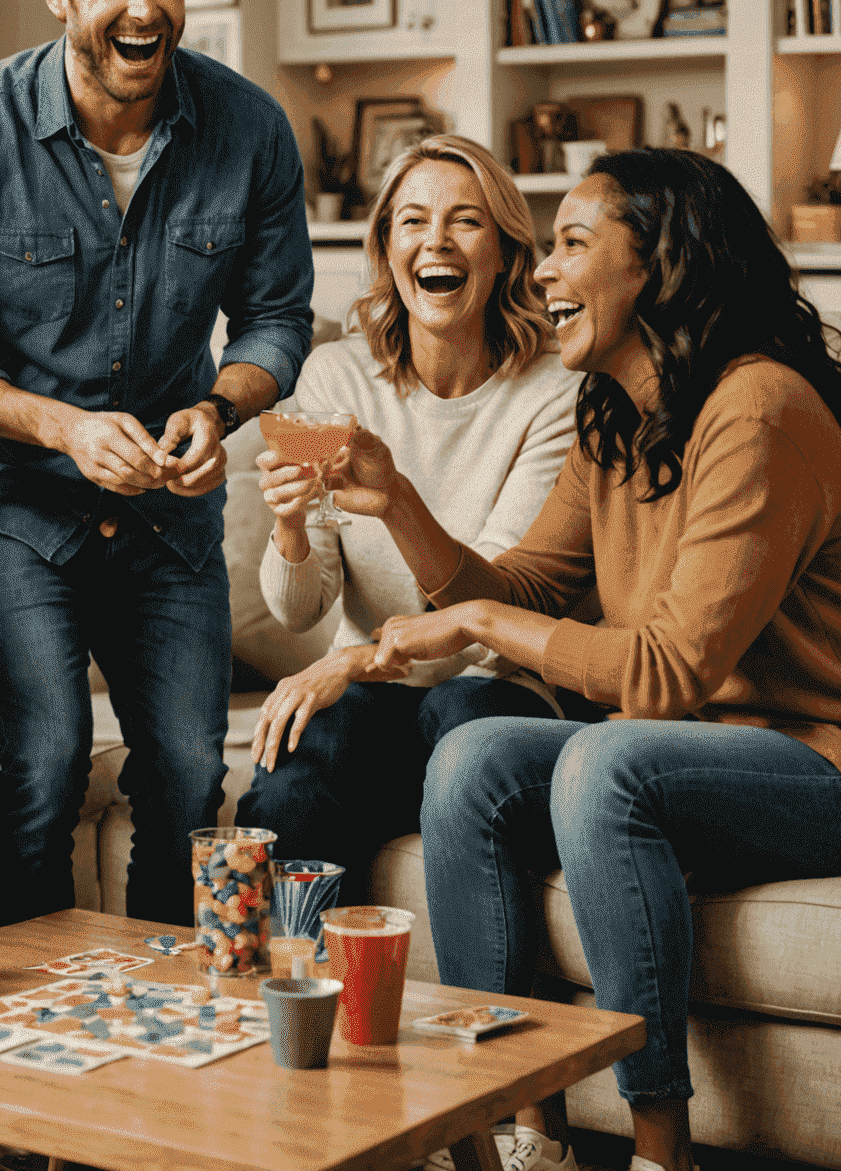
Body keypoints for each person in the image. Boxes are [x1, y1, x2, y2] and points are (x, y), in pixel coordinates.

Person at [370, 149, 841, 1171]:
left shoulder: (757, 408)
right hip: (705, 749)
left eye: (570, 245)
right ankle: (527, 1134)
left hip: (836, 762)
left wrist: (474, 628)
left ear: (658, 267)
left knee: (610, 759)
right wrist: (394, 502)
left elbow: (665, 675)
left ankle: (659, 1151)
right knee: (472, 762)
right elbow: (516, 592)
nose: (541, 272)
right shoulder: (616, 420)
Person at [0, 0, 314, 927]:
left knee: (183, 780)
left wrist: (220, 409)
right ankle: (26, 1046)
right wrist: (61, 427)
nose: (145, 8)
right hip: (19, 507)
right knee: (44, 766)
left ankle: (164, 1031)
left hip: (169, 516)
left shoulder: (250, 130)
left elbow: (278, 321)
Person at [235, 136, 582, 899]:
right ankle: (286, 994)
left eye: (467, 222)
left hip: (499, 686)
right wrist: (292, 525)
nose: (437, 241)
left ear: (504, 254)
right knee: (294, 778)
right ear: (387, 249)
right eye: (414, 221)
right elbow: (299, 613)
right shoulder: (336, 373)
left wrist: (350, 659)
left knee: (459, 708)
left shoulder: (554, 390)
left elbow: (485, 608)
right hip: (373, 701)